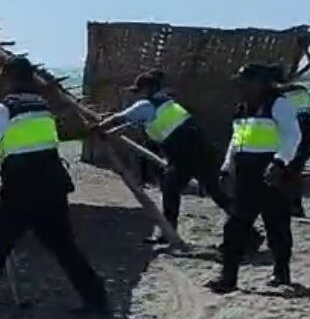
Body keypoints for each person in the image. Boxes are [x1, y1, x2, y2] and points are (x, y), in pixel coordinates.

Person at [0, 56, 109, 315]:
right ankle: (96, 300)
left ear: (10, 79)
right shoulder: (42, 106)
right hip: (53, 183)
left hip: (21, 186)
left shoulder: (4, 108)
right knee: (65, 247)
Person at [92, 69, 232, 241]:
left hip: (184, 154)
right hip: (200, 149)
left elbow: (120, 119)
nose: (138, 95)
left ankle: (168, 232)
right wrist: (110, 127)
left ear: (147, 89)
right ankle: (247, 230)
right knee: (214, 191)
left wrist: (98, 127)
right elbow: (130, 122)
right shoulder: (167, 103)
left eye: (139, 91)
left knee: (170, 189)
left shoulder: (145, 106)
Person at [206, 63, 302, 294]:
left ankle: (281, 273)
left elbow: (292, 135)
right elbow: (236, 140)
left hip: (272, 174)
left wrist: (279, 163)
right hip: (246, 175)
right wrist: (226, 167)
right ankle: (228, 278)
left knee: (277, 226)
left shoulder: (279, 104)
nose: (240, 88)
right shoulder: (242, 109)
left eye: (244, 83)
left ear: (259, 83)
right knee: (234, 227)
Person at [278, 78, 310, 217]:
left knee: (291, 172)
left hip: (300, 139)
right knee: (293, 172)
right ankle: (294, 206)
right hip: (307, 138)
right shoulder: (302, 94)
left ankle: (294, 207)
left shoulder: (288, 96)